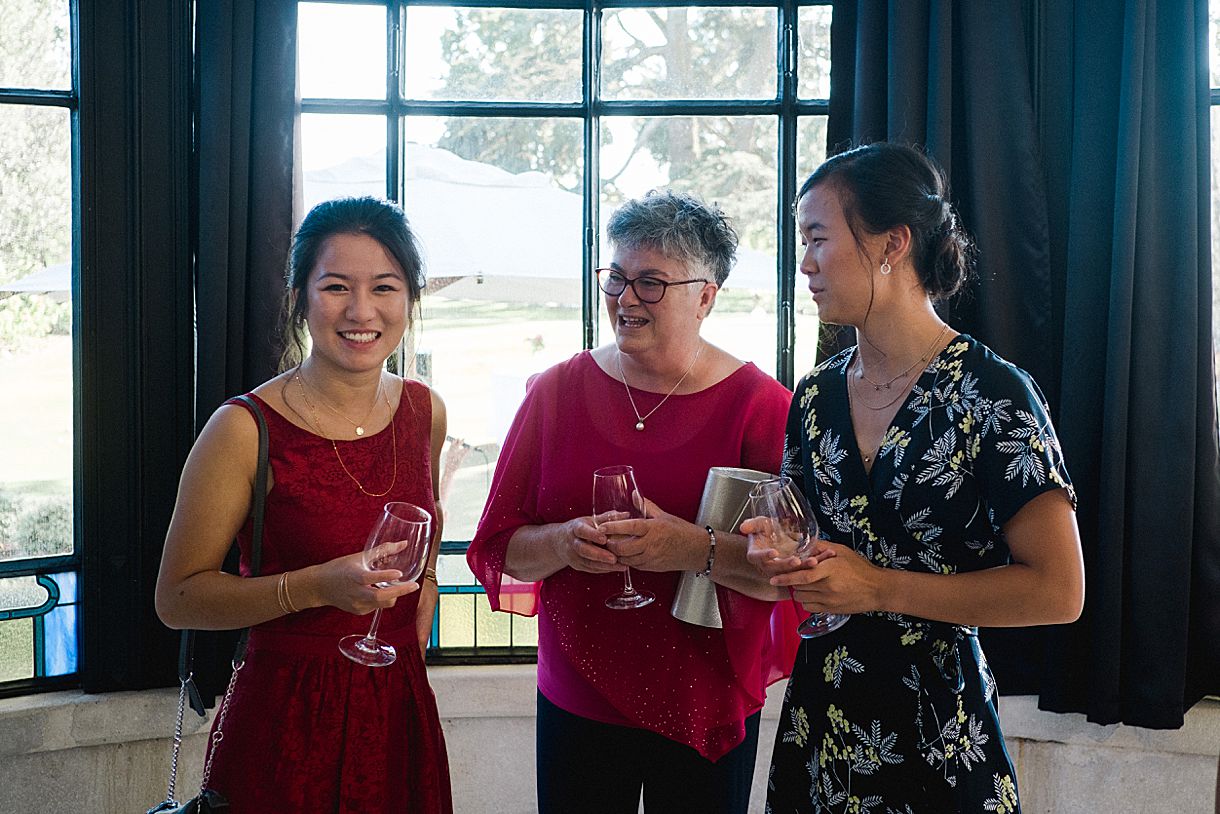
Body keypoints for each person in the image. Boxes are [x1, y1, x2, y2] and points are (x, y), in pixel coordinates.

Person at [744, 143, 1085, 813]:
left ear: (892, 243)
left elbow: (1059, 591)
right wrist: (778, 554)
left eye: (818, 238)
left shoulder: (993, 393)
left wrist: (878, 588)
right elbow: (808, 543)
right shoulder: (813, 397)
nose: (804, 263)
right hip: (824, 734)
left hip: (940, 736)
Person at [467, 190, 798, 813]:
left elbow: (790, 577)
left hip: (705, 699)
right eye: (616, 277)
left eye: (650, 283)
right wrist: (563, 543)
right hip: (577, 695)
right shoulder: (556, 392)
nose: (625, 299)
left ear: (706, 295)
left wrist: (688, 548)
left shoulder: (763, 408)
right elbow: (500, 548)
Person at [155, 196, 453, 813]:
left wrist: (419, 599)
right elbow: (176, 598)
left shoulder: (426, 411)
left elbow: (425, 541)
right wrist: (317, 587)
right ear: (299, 297)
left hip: (397, 711)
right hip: (284, 719)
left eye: (385, 287)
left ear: (410, 300)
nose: (362, 311)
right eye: (336, 286)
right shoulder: (243, 428)